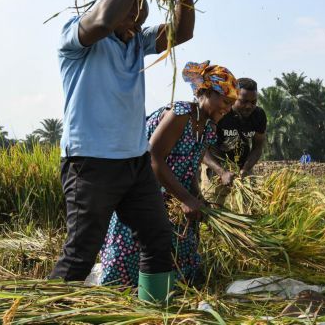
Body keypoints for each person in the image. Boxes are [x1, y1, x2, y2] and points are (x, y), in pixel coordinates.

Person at [51, 0, 195, 302]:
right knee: (81, 252)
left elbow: (182, 31)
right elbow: (100, 20)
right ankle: (46, 310)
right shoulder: (77, 36)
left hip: (134, 164)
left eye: (140, 17)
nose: (136, 22)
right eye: (131, 13)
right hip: (91, 163)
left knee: (158, 238)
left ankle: (152, 309)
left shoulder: (134, 42)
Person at [100, 61, 238, 288]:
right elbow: (153, 157)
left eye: (231, 104)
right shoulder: (181, 113)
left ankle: (167, 293)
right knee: (133, 255)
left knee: (178, 257)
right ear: (206, 92)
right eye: (225, 101)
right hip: (145, 192)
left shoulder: (209, 128)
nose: (228, 108)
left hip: (174, 194)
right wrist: (185, 198)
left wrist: (197, 197)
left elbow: (191, 166)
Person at [201, 78, 267, 205]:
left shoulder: (258, 115)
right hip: (216, 164)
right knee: (213, 209)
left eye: (253, 102)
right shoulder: (221, 113)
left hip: (243, 165)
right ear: (234, 96)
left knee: (251, 207)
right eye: (244, 101)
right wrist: (221, 172)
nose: (249, 106)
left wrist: (246, 169)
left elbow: (258, 146)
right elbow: (202, 149)